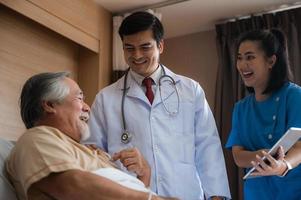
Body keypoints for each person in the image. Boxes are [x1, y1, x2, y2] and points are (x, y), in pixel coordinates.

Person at [86, 11, 231, 200]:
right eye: (129, 48)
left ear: (160, 46)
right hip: (132, 195)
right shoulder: (106, 99)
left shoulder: (190, 90)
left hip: (185, 194)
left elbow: (208, 146)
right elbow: (94, 155)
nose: (136, 55)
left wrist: (216, 196)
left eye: (145, 47)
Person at [6, 72, 177, 200]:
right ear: (50, 105)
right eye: (79, 98)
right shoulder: (36, 139)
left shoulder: (88, 150)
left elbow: (121, 192)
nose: (88, 107)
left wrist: (144, 174)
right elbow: (72, 185)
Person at [226, 29, 301, 200]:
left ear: (271, 61)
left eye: (250, 57)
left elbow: (300, 146)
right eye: (239, 57)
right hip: (257, 194)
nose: (242, 64)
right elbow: (238, 155)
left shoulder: (294, 96)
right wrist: (263, 156)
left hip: (293, 191)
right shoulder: (240, 108)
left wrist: (282, 165)